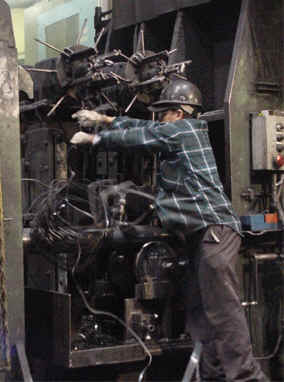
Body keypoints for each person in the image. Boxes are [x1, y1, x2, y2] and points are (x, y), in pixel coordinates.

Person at [70, 79, 268, 381]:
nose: (160, 118)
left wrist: (97, 139)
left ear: (179, 112)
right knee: (200, 314)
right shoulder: (175, 132)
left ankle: (246, 376)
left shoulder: (188, 130)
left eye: (164, 112)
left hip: (214, 232)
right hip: (198, 237)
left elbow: (145, 135)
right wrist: (105, 119)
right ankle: (213, 375)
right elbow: (145, 127)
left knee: (223, 312)